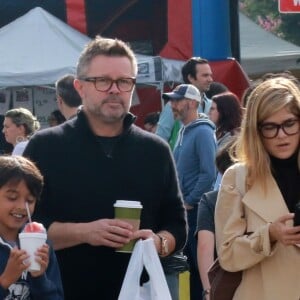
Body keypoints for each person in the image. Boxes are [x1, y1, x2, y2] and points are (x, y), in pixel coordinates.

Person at [24, 36, 187, 300]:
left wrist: (159, 243)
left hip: (138, 291)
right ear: (80, 87)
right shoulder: (45, 147)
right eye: (103, 81)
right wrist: (85, 232)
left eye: (124, 82)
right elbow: (26, 227)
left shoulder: (155, 150)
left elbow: (177, 224)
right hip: (62, 290)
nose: (114, 89)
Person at [215, 77, 300, 300]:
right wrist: (269, 235)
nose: (281, 135)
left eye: (289, 124)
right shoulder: (238, 177)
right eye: (270, 127)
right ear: (256, 130)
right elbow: (228, 254)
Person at [163, 83, 216, 300]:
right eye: (172, 100)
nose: (172, 104)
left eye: (177, 100)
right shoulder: (186, 130)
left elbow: (209, 172)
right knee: (190, 271)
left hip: (194, 211)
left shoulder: (202, 131)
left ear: (193, 103)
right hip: (189, 211)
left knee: (197, 268)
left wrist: (191, 201)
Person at [0, 156, 63, 299]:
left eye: (30, 200)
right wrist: (5, 281)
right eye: (12, 197)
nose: (22, 207)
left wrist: (39, 277)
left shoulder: (40, 242)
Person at [195, 138, 236, 300]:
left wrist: (208, 290)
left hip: (222, 284)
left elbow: (204, 246)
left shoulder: (211, 200)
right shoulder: (262, 198)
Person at [156, 57, 213, 145]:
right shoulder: (174, 104)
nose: (210, 79)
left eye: (210, 75)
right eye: (205, 75)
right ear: (190, 77)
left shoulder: (212, 105)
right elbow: (160, 138)